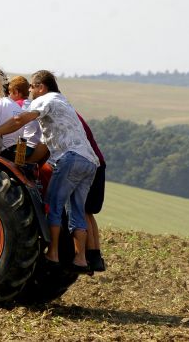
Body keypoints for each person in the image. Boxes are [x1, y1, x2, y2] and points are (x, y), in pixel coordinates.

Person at [0, 70, 99, 273]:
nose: (30, 91)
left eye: (32, 87)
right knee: (77, 209)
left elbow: (19, 121)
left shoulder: (44, 100)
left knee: (52, 205)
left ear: (41, 87)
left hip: (69, 158)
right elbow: (45, 140)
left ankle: (52, 254)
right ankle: (81, 259)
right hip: (89, 161)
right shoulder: (63, 102)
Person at [77, 113, 107, 272]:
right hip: (97, 163)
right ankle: (96, 255)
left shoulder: (58, 115)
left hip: (88, 164)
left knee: (81, 211)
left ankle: (89, 255)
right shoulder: (72, 114)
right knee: (88, 212)